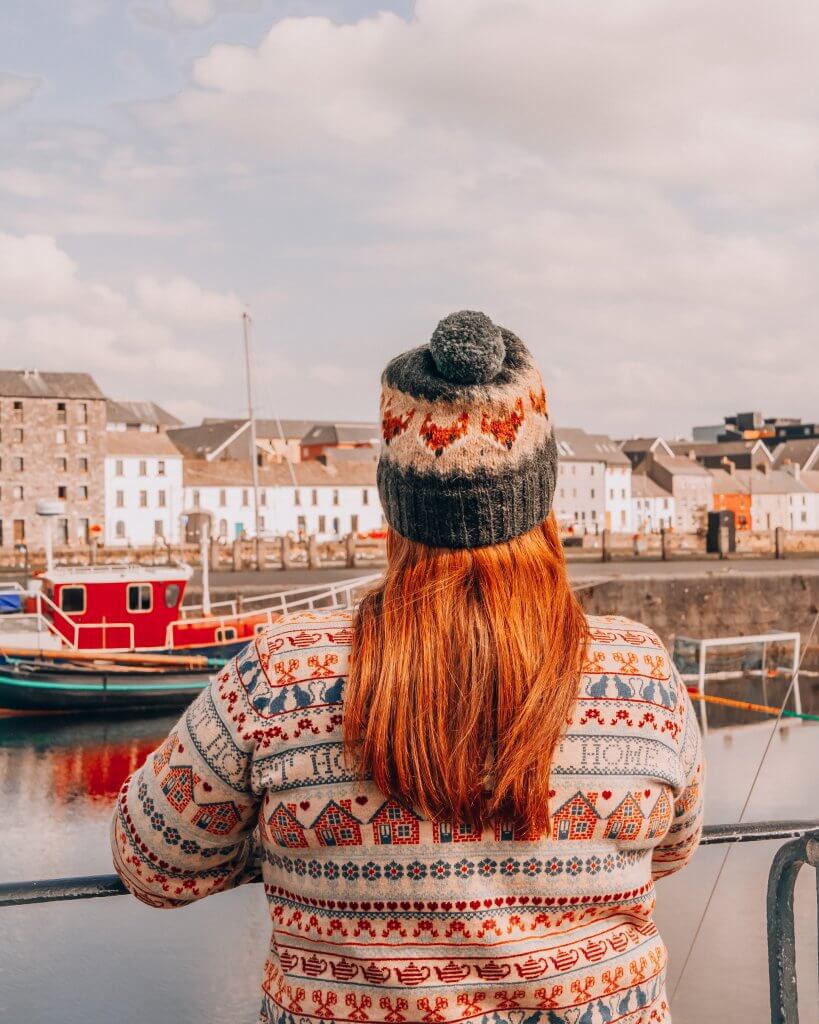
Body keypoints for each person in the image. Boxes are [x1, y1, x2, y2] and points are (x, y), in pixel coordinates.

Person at [112, 311, 704, 1024]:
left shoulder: (283, 674)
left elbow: (152, 863)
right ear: (542, 499)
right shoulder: (638, 671)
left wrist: (290, 843)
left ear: (394, 503)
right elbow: (671, 849)